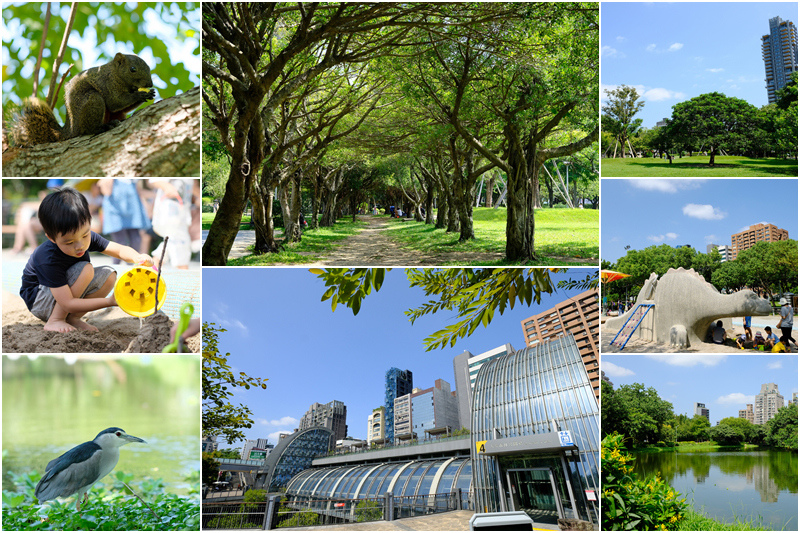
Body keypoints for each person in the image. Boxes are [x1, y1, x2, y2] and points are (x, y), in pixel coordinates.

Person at [19, 187, 153, 333]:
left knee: (109, 275)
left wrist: (137, 257)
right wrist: (110, 302)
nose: (80, 245)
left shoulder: (83, 235)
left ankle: (72, 319)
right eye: (69, 242)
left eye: (85, 235)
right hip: (39, 299)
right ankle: (55, 320)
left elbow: (120, 250)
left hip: (62, 296)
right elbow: (68, 303)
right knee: (86, 269)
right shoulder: (47, 257)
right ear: (52, 238)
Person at [98, 179, 151, 264]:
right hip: (116, 212)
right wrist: (107, 181)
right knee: (119, 242)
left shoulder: (133, 180)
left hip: (132, 212)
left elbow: (139, 192)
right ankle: (115, 266)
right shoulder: (112, 179)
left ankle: (132, 264)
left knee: (136, 240)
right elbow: (106, 192)